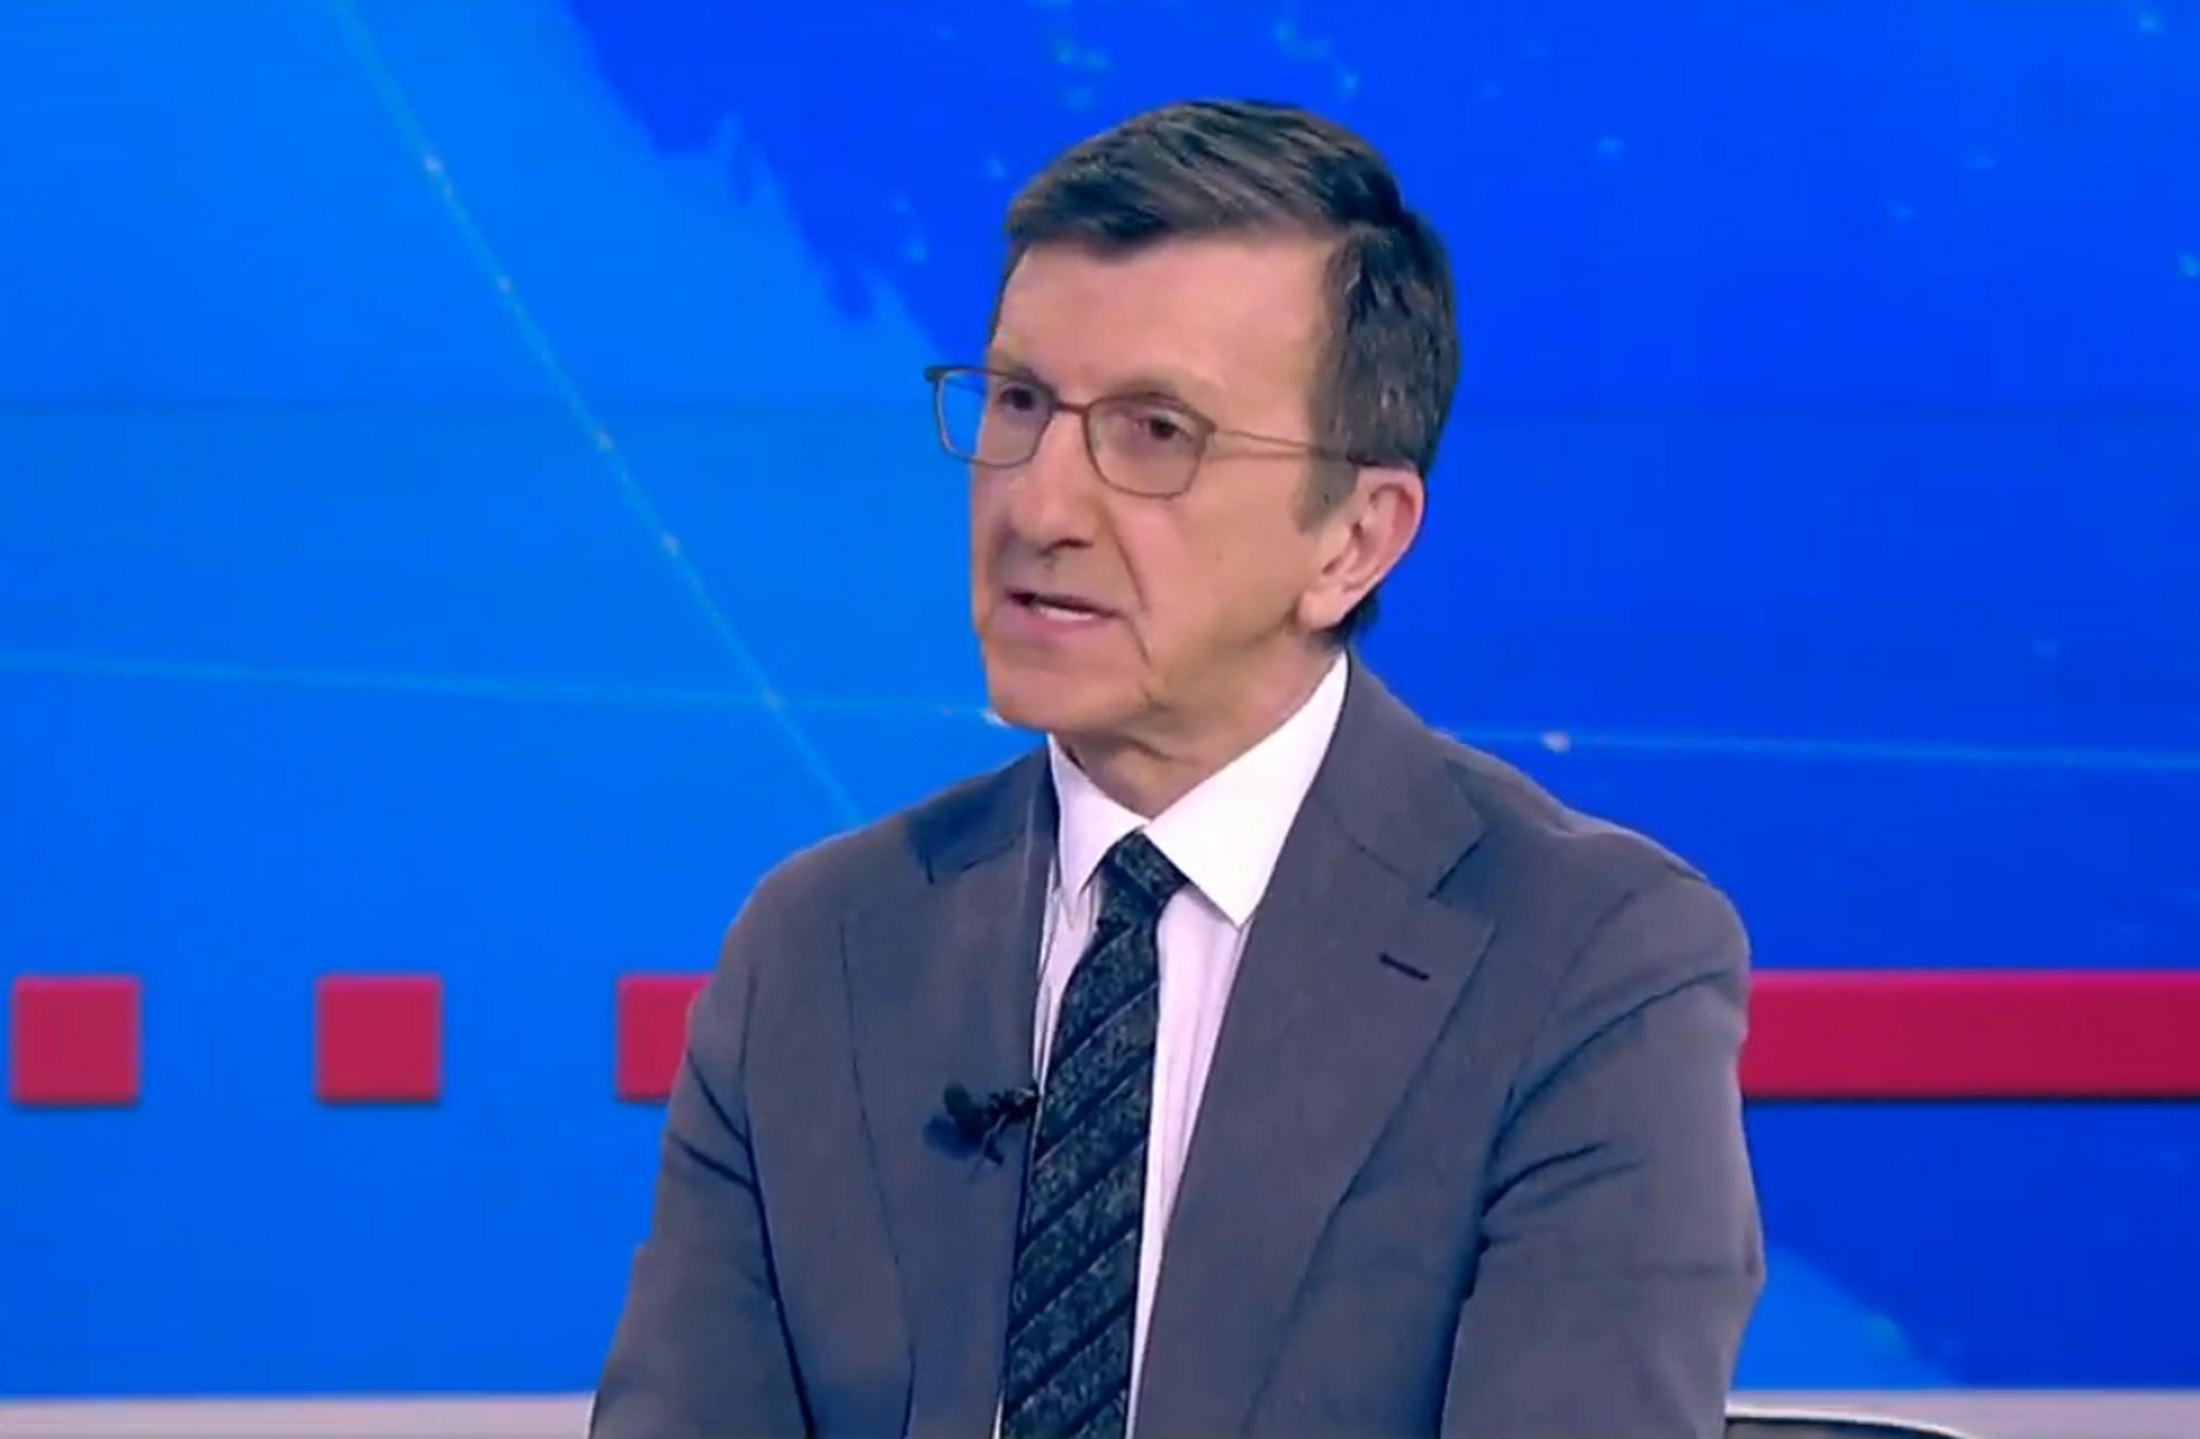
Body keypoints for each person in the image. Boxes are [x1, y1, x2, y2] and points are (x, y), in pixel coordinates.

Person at [590, 98, 1763, 1439]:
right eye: (1020, 403)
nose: (1039, 505)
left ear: (1355, 539)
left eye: (1156, 432)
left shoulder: (1584, 964)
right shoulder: (821, 952)